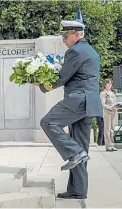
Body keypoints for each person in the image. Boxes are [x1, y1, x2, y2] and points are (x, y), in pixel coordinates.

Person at [31, 20, 103, 199]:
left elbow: (62, 77)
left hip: (78, 100)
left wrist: (41, 84)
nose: (63, 39)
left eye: (65, 35)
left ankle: (74, 153)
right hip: (89, 103)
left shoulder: (76, 51)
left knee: (48, 122)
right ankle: (78, 190)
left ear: (78, 34)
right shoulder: (91, 51)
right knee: (81, 147)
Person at [100, 79, 118, 151]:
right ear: (105, 84)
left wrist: (116, 106)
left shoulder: (112, 93)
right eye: (108, 83)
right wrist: (110, 107)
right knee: (107, 129)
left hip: (114, 112)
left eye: (110, 84)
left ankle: (112, 145)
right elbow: (102, 104)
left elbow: (115, 102)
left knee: (112, 129)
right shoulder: (103, 93)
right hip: (107, 112)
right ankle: (108, 146)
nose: (109, 85)